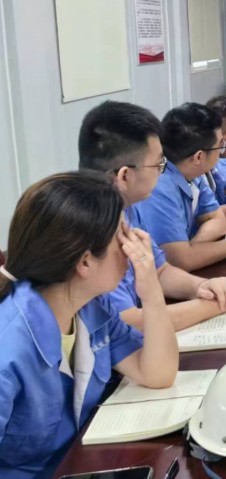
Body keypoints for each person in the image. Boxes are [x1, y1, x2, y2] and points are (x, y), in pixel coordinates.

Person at [0, 172, 178, 479]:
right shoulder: (9, 349)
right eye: (122, 237)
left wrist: (151, 291)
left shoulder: (91, 307)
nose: (132, 247)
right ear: (85, 262)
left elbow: (157, 374)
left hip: (84, 464)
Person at [79, 101, 226, 331]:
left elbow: (160, 271)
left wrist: (206, 287)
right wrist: (219, 304)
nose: (163, 171)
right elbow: (127, 322)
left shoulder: (127, 208)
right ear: (125, 177)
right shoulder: (90, 228)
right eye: (158, 164)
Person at [136, 103, 226, 272]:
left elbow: (218, 220)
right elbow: (180, 261)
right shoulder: (160, 186)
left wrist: (191, 248)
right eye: (220, 146)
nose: (221, 151)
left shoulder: (194, 174)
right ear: (199, 157)